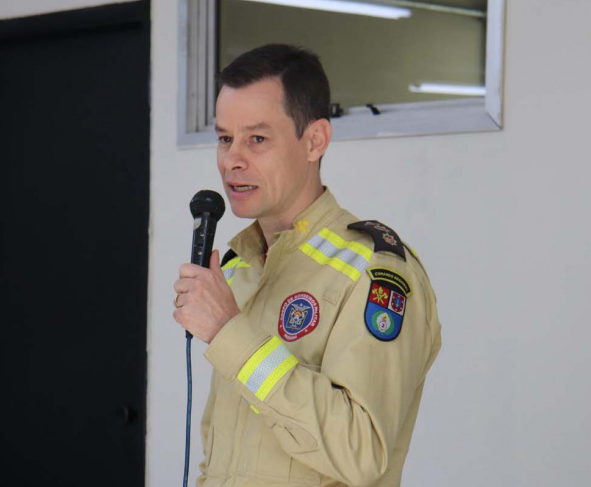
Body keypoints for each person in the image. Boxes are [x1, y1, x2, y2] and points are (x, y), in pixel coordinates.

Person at [173, 44, 442, 487]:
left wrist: (228, 333)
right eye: (225, 138)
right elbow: (223, 452)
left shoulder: (374, 269)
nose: (232, 160)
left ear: (314, 140)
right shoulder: (241, 266)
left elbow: (360, 451)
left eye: (257, 139)